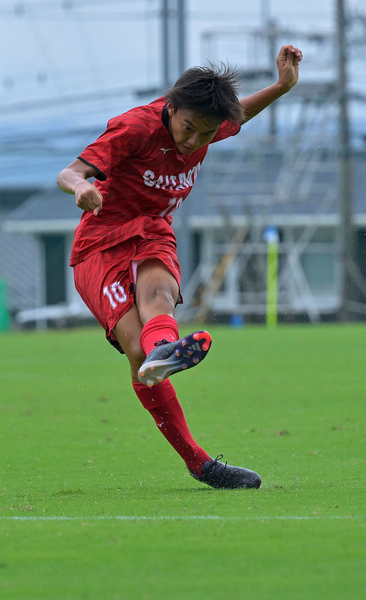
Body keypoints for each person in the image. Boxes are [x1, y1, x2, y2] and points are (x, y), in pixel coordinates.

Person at [57, 44, 303, 489]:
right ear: (171, 108)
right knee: (136, 355)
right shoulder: (135, 127)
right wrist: (80, 188)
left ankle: (164, 351)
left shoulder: (207, 124)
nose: (192, 141)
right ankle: (197, 460)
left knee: (159, 296)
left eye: (205, 135)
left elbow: (241, 114)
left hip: (152, 231)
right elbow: (70, 171)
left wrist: (283, 86)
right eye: (187, 128)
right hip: (100, 245)